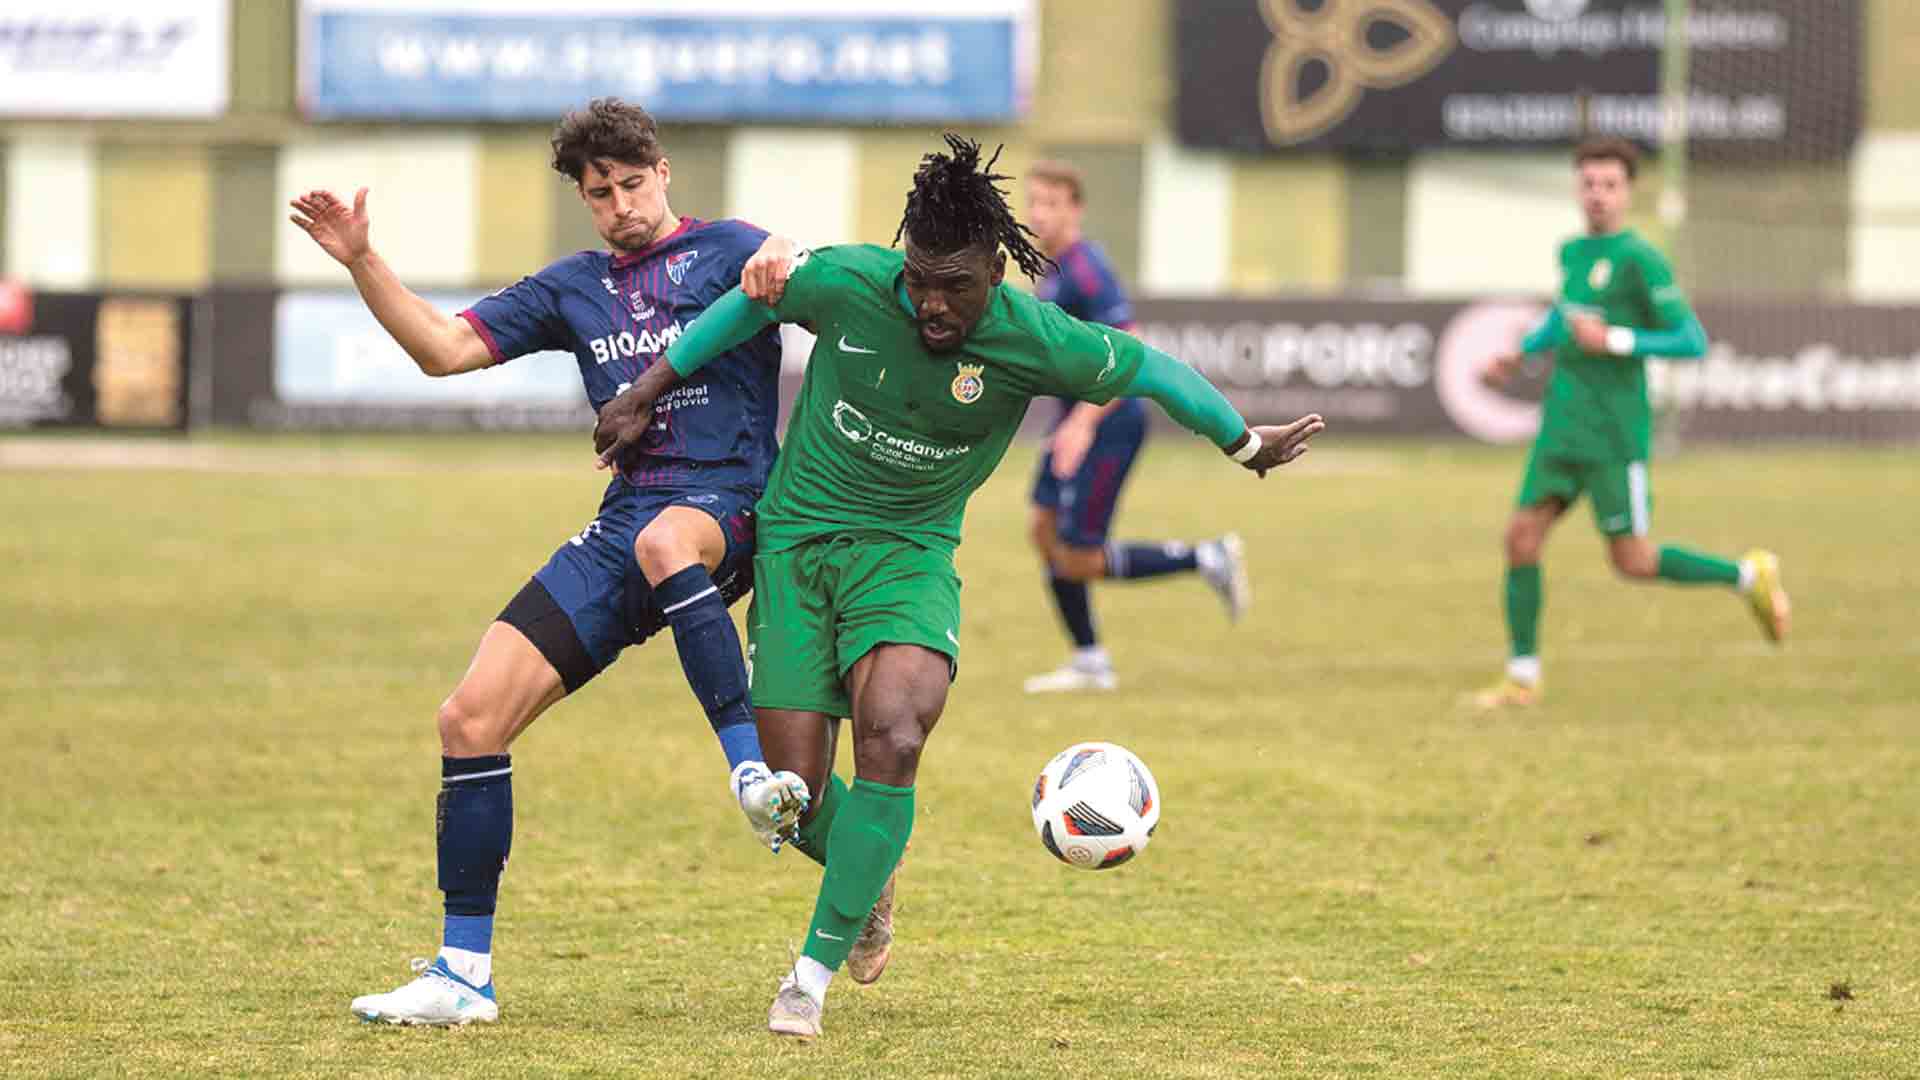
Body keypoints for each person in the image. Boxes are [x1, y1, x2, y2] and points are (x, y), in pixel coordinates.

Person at [592, 134, 1325, 1040]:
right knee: (790, 798)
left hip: (908, 557)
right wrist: (646, 389)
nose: (935, 305)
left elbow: (1153, 372)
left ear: (997, 270)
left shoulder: (1035, 338)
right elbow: (747, 307)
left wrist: (1242, 442)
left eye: (959, 286)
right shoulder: (851, 283)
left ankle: (808, 979)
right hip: (797, 551)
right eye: (922, 281)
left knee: (894, 733)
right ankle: (870, 874)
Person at [288, 97, 809, 1026]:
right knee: (469, 718)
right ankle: (462, 975)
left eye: (631, 183)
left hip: (728, 511)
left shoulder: (733, 248)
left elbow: (831, 288)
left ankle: (746, 773)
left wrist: (790, 260)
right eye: (599, 192)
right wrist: (363, 260)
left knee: (664, 541)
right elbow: (444, 351)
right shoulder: (574, 286)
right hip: (626, 525)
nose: (619, 204)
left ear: (664, 172)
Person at [1472, 136, 1790, 709]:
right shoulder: (1571, 251)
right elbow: (1564, 317)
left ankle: (1748, 575)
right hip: (1561, 429)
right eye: (1589, 183)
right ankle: (1522, 677)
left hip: (1614, 436)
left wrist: (1617, 339)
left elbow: (1691, 340)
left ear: (1628, 192)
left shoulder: (1641, 260)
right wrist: (1520, 355)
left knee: (1633, 561)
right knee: (1520, 539)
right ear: (1578, 188)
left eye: (1610, 185)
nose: (1598, 194)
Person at [1019, 160, 1250, 694]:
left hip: (1110, 422)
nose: (1038, 214)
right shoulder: (1052, 270)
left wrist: (1082, 423)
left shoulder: (1087, 269)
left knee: (1077, 554)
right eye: (1033, 202)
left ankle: (1205, 557)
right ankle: (1088, 658)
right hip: (1071, 421)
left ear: (1074, 209)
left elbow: (1130, 343)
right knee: (1042, 531)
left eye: (1051, 203)